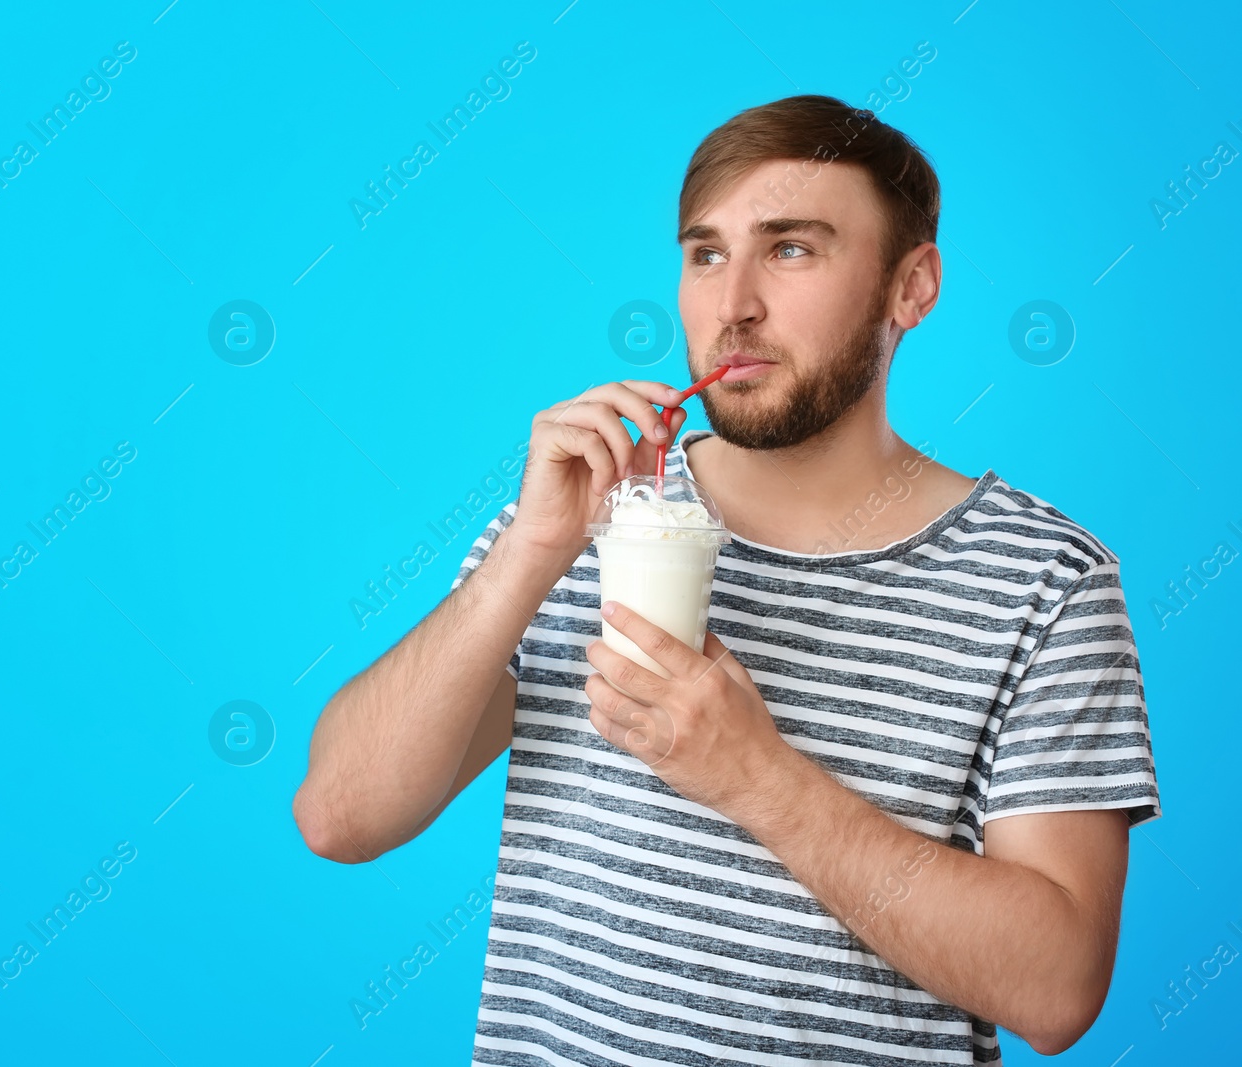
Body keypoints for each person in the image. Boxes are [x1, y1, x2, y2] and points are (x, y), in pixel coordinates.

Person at [293, 93, 1161, 1064]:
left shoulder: (1046, 581)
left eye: (790, 248)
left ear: (910, 288)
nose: (732, 302)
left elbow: (1055, 989)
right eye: (705, 252)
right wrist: (529, 553)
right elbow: (340, 814)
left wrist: (755, 774)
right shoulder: (585, 520)